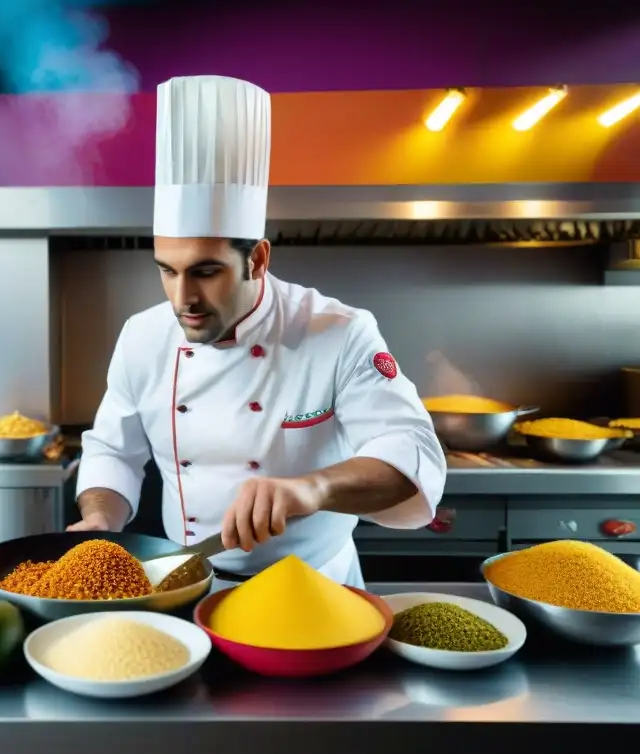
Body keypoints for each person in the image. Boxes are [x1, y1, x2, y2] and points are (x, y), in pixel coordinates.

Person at [68, 75, 446, 588]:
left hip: (316, 588)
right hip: (189, 583)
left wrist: (312, 490)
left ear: (258, 260)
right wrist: (100, 520)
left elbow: (410, 451)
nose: (183, 300)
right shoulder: (142, 337)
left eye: (205, 272)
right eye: (167, 270)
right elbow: (114, 451)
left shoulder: (339, 332)